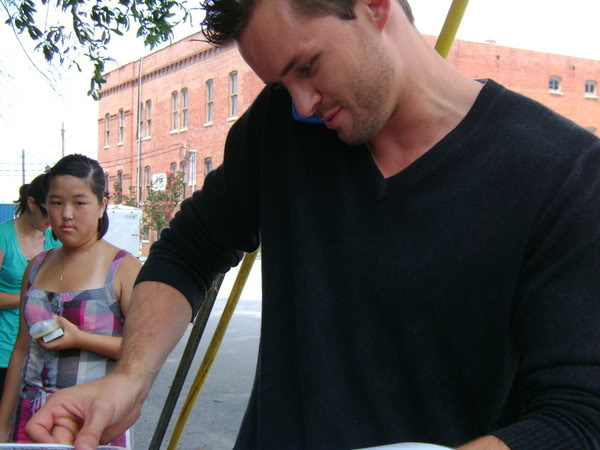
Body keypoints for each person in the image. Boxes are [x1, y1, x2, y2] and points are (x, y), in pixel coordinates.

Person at [27, 0, 600, 449]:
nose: (302, 104)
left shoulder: (563, 173)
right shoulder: (282, 128)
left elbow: (579, 417)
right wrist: (130, 377)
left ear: (374, 7)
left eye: (307, 67)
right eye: (282, 83)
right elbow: (187, 251)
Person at [0, 154, 141, 446]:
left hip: (90, 419)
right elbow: (22, 350)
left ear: (102, 205)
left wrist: (80, 339)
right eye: (55, 202)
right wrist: (3, 422)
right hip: (30, 417)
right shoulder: (37, 266)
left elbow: (142, 353)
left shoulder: (123, 268)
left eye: (79, 203)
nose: (66, 214)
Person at [0, 175, 61, 398]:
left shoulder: (54, 239)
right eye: (46, 212)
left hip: (42, 346)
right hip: (4, 348)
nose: (50, 221)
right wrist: (30, 298)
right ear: (31, 203)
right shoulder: (3, 237)